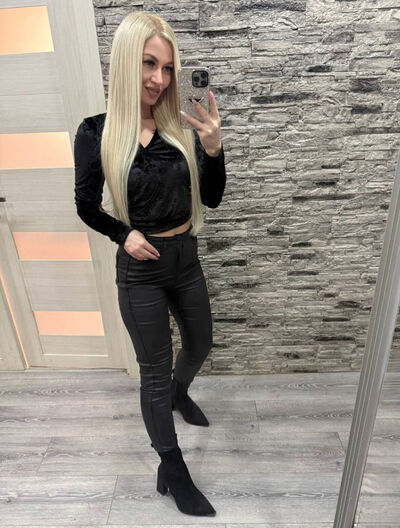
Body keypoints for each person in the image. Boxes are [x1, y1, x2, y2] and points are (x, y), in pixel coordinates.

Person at [73, 11, 226, 517]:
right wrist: (124, 233)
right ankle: (172, 466)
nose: (159, 79)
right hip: (140, 270)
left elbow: (214, 198)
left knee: (200, 344)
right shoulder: (95, 132)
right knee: (153, 373)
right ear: (125, 62)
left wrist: (213, 150)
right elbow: (86, 205)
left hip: (185, 258)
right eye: (148, 63)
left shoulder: (180, 127)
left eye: (167, 67)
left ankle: (181, 394)